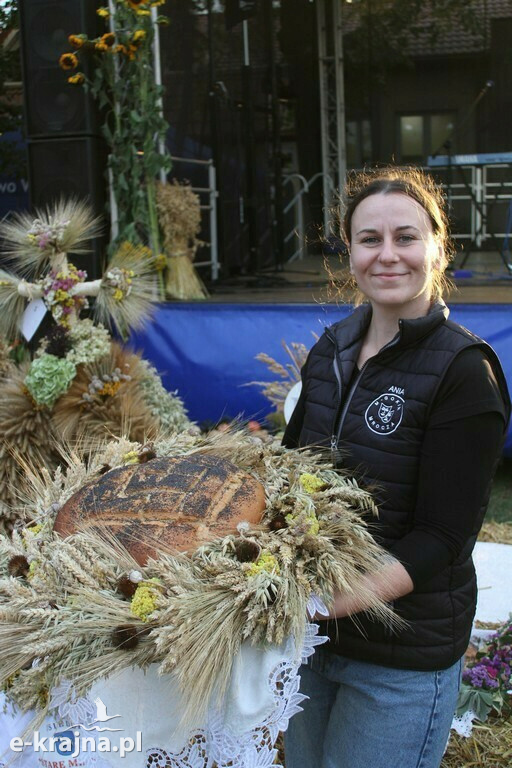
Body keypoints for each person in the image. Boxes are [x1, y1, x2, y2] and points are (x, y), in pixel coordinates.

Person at [282, 167, 511, 768]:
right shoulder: (330, 349)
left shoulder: (464, 371)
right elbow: (286, 477)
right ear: (349, 252)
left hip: (400, 655)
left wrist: (323, 602)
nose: (387, 256)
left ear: (439, 246)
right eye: (368, 239)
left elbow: (442, 538)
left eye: (406, 238)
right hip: (311, 645)